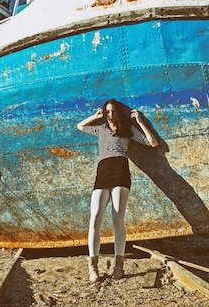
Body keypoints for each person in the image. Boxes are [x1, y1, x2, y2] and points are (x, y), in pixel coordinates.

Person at [77, 99, 159, 282]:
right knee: (95, 218)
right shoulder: (100, 129)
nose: (111, 115)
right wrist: (95, 116)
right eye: (107, 112)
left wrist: (140, 121)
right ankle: (93, 267)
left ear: (118, 113)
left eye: (113, 111)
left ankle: (119, 266)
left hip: (121, 172)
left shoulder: (127, 131)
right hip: (102, 174)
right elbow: (80, 126)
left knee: (117, 218)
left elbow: (152, 143)